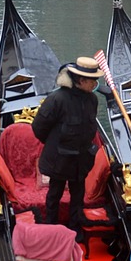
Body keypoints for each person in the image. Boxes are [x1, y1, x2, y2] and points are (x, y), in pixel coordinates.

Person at [31, 56, 102, 236]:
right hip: (60, 158)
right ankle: (51, 230)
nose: (95, 84)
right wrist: (55, 144)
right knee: (54, 194)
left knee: (78, 196)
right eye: (93, 81)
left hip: (82, 158)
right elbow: (38, 127)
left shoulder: (92, 100)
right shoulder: (57, 99)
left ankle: (75, 228)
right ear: (81, 80)